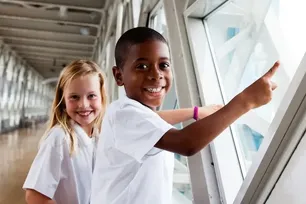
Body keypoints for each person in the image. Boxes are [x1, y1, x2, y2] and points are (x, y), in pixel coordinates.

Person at [90, 27, 280, 204]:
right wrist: (245, 101)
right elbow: (186, 143)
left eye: (163, 65)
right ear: (119, 76)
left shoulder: (128, 114)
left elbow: (154, 121)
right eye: (142, 67)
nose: (156, 75)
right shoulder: (124, 114)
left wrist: (195, 112)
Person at [22, 59, 220, 204]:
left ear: (102, 97)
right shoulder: (60, 138)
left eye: (91, 96)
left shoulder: (100, 132)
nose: (84, 105)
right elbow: (34, 195)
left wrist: (195, 112)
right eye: (74, 97)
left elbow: (147, 122)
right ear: (63, 101)